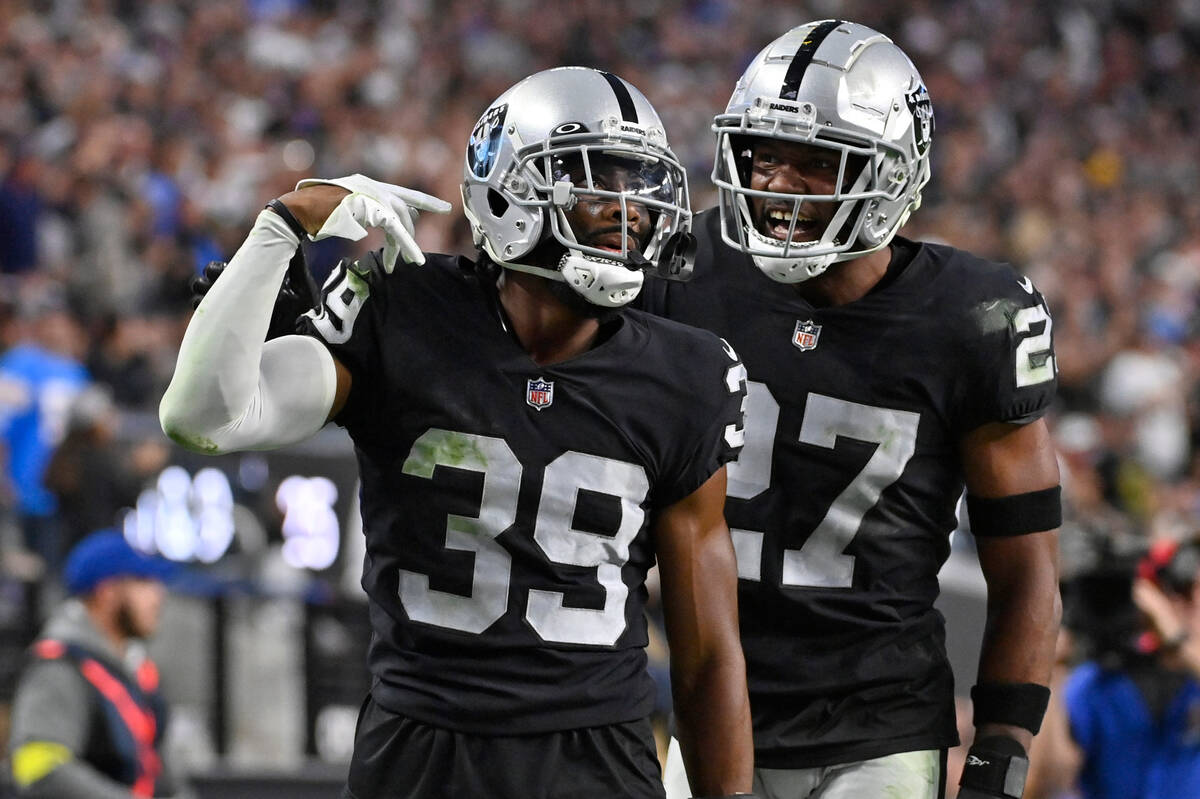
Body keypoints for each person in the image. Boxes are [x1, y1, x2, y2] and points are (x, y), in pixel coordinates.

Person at [159, 67, 754, 799]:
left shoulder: (687, 372)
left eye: (640, 184)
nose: (628, 210)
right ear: (508, 190)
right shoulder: (400, 304)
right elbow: (202, 418)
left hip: (595, 759)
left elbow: (707, 656)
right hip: (420, 749)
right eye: (597, 181)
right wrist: (283, 227)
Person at [638, 20, 1062, 799]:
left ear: (893, 173)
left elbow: (1028, 565)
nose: (779, 185)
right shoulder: (681, 275)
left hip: (880, 725)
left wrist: (1003, 740)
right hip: (710, 707)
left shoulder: (975, 318)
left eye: (815, 162)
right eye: (766, 154)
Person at [6, 529, 188, 798]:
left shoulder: (133, 671)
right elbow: (39, 768)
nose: (157, 595)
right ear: (107, 593)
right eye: (142, 582)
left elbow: (163, 778)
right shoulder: (59, 667)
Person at [1027, 536, 1200, 799]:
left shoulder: (1193, 683)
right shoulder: (1099, 682)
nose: (1183, 605)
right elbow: (1042, 783)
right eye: (1178, 591)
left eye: (1189, 593)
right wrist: (1054, 667)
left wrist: (1175, 637)